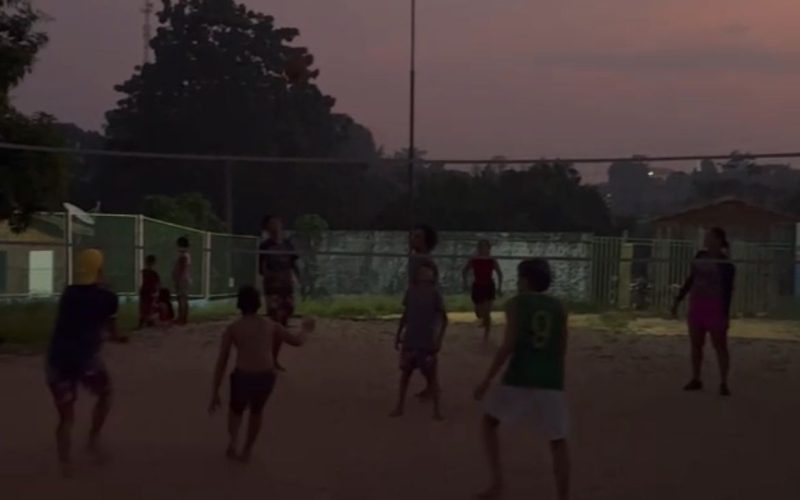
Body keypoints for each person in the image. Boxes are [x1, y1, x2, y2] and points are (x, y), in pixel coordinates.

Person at [474, 259, 570, 500]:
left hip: (520, 375)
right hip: (550, 378)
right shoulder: (559, 307)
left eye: (519, 278)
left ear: (526, 279)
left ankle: (497, 483)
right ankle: (563, 496)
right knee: (558, 440)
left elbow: (509, 345)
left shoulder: (516, 304)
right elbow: (561, 348)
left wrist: (487, 379)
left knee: (489, 423)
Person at [208, 285, 315, 462]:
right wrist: (306, 329)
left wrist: (215, 391)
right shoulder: (271, 325)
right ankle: (247, 449)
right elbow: (297, 341)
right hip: (266, 376)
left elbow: (222, 361)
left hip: (243, 376)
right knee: (256, 412)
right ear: (258, 304)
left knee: (236, 410)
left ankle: (234, 441)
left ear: (239, 305)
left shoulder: (234, 328)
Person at [45, 248, 128, 476]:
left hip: (58, 359)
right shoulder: (107, 298)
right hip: (85, 360)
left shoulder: (69, 293)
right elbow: (113, 332)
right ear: (99, 269)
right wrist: (121, 338)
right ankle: (93, 439)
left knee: (66, 417)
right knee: (106, 393)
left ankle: (65, 463)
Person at [672, 226, 736, 396]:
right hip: (697, 304)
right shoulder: (700, 256)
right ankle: (696, 378)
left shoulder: (725, 264)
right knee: (696, 344)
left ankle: (723, 382)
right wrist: (678, 299)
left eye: (709, 237)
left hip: (715, 306)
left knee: (720, 345)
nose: (706, 240)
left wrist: (725, 313)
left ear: (718, 240)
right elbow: (691, 279)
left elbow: (728, 290)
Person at [391, 260, 448, 420]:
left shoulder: (435, 293)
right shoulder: (411, 291)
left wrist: (439, 339)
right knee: (405, 374)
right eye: (422, 272)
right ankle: (399, 406)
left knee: (432, 376)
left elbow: (444, 319)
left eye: (428, 271)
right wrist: (398, 334)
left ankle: (437, 410)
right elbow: (405, 315)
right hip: (411, 339)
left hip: (427, 340)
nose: (424, 274)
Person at [259, 215, 300, 371]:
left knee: (282, 325)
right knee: (275, 324)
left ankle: (273, 358)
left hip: (286, 288)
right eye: (271, 224)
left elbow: (294, 264)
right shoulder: (265, 246)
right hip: (273, 289)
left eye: (277, 223)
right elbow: (263, 270)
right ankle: (267, 359)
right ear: (267, 229)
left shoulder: (289, 245)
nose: (275, 226)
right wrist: (273, 276)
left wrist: (298, 280)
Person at [463, 239, 503, 343]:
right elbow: (465, 270)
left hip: (489, 286)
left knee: (487, 311)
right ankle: (485, 321)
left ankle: (486, 335)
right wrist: (465, 284)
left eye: (485, 247)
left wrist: (499, 288)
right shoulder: (474, 259)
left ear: (489, 249)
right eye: (481, 247)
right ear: (478, 249)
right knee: (479, 313)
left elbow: (499, 273)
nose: (483, 249)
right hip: (478, 286)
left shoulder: (492, 260)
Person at [172, 237, 192, 325]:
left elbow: (181, 269)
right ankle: (182, 318)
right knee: (182, 299)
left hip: (182, 280)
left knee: (182, 299)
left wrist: (177, 279)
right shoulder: (185, 255)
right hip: (184, 279)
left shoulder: (183, 255)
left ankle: (182, 318)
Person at [138, 255, 160, 329]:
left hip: (149, 291)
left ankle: (148, 320)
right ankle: (145, 320)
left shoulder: (149, 272)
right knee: (145, 306)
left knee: (148, 307)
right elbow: (157, 283)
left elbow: (157, 283)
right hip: (146, 291)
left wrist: (156, 292)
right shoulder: (147, 272)